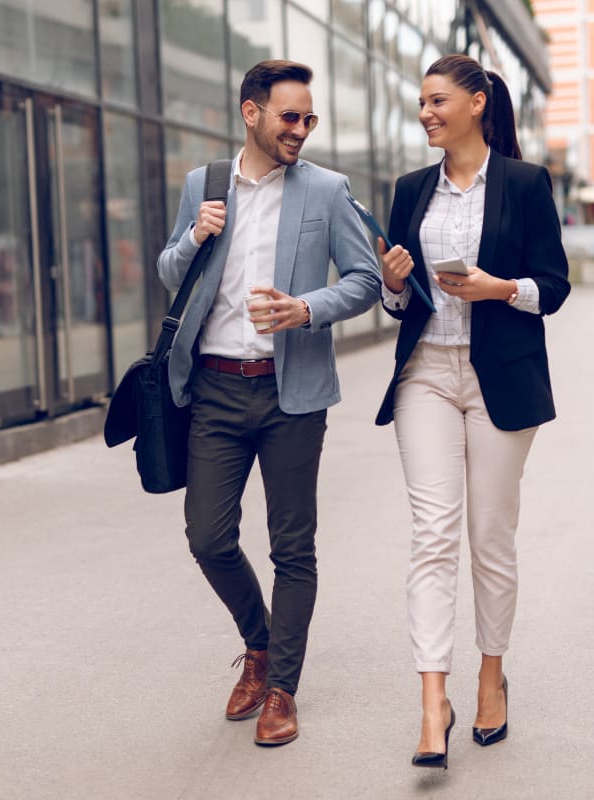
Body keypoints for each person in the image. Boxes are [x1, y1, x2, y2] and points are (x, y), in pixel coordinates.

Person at [157, 60, 380, 746]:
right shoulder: (205, 184)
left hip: (292, 395)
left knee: (293, 547)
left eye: (309, 118)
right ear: (252, 113)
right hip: (216, 390)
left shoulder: (327, 190)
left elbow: (366, 279)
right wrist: (194, 236)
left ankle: (282, 687)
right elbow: (171, 273)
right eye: (290, 116)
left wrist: (305, 308)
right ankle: (258, 644)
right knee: (208, 537)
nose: (302, 130)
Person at [375, 54, 570, 769]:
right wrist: (394, 285)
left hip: (500, 381)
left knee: (490, 537)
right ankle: (433, 702)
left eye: (436, 100)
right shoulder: (409, 190)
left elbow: (553, 286)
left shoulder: (524, 183)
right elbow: (398, 304)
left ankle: (491, 675)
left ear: (477, 102)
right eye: (421, 103)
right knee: (432, 535)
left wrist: (499, 289)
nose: (426, 113)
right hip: (425, 372)